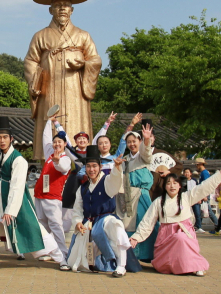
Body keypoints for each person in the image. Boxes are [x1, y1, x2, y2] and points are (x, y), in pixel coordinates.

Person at [0, 116, 67, 268]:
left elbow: (17, 187)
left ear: (11, 138)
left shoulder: (19, 160)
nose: (2, 140)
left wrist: (11, 210)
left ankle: (61, 258)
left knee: (31, 226)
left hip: (15, 198)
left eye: (5, 137)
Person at [24, 0, 102, 160]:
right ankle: (49, 161)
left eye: (66, 5)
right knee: (49, 128)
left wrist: (83, 64)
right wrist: (35, 81)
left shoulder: (83, 35)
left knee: (76, 127)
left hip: (75, 91)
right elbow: (30, 60)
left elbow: (95, 59)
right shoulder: (40, 36)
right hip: (49, 89)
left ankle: (80, 158)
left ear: (72, 10)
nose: (62, 9)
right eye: (58, 5)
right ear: (50, 10)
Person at [130, 163, 221, 276]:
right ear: (165, 186)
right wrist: (136, 237)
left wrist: (220, 173)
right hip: (165, 235)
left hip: (184, 232)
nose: (172, 186)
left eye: (175, 183)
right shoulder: (158, 202)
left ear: (180, 185)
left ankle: (196, 266)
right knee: (168, 259)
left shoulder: (186, 197)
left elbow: (203, 188)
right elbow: (148, 221)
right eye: (169, 183)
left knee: (180, 238)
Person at [67, 145, 141, 277]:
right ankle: (98, 262)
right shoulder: (83, 188)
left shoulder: (106, 180)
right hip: (88, 223)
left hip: (105, 218)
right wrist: (78, 222)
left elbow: (114, 183)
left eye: (94, 166)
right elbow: (77, 209)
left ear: (100, 167)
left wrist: (117, 168)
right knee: (76, 260)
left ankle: (121, 265)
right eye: (88, 166)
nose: (91, 169)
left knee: (116, 227)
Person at [33, 116, 72, 262]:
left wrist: (57, 161)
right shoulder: (50, 154)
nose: (56, 144)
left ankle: (63, 254)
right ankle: (47, 251)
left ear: (65, 144)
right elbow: (45, 139)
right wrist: (49, 121)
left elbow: (63, 167)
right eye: (55, 142)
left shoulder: (65, 158)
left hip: (53, 197)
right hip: (39, 194)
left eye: (59, 142)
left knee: (56, 226)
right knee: (42, 224)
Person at [119, 125, 156, 262]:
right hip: (129, 196)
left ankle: (149, 254)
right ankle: (132, 256)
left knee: (144, 223)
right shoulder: (126, 159)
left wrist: (147, 141)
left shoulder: (143, 157)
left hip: (141, 195)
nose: (131, 144)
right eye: (129, 142)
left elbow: (147, 152)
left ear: (139, 141)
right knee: (129, 224)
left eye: (134, 141)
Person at [195, 158, 219, 231]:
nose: (196, 166)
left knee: (208, 211)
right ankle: (198, 225)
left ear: (200, 164)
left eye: (197, 165)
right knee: (203, 210)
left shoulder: (204, 173)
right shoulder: (203, 173)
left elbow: (207, 184)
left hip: (204, 194)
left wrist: (205, 195)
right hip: (203, 193)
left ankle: (217, 224)